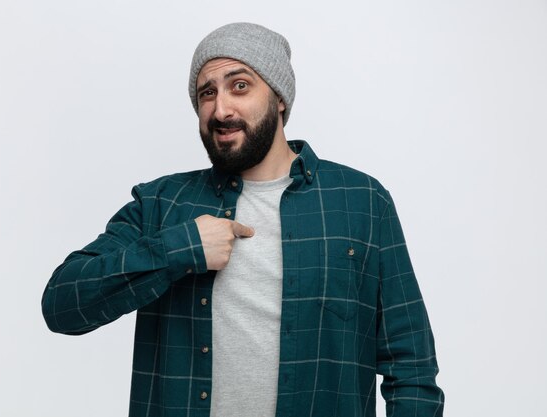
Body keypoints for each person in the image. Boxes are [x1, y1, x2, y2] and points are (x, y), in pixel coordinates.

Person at [42, 22, 444, 417]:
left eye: (240, 86)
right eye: (206, 93)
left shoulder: (361, 201)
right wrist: (180, 249)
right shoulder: (162, 204)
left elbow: (411, 367)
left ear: (280, 98)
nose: (221, 109)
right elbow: (61, 305)